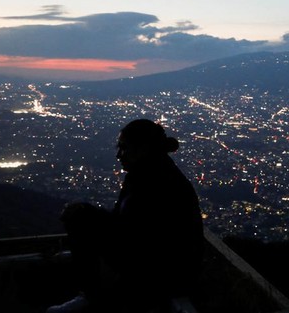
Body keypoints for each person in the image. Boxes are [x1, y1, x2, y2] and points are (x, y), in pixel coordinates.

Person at [47, 119, 205, 313]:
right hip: (159, 259)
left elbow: (137, 234)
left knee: (79, 217)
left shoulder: (158, 183)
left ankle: (93, 297)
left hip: (162, 270)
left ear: (143, 149)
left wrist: (90, 222)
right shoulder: (145, 173)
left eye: (124, 148)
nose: (119, 155)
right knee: (83, 216)